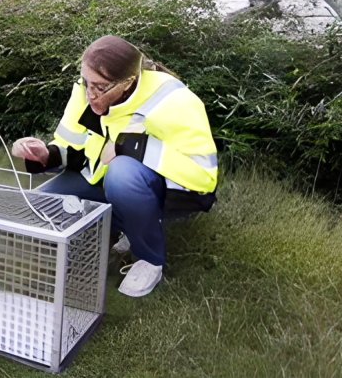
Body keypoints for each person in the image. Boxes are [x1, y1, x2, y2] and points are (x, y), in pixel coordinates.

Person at [12, 35, 218, 298]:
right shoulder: (87, 90)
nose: (89, 94)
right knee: (41, 203)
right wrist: (44, 154)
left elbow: (203, 177)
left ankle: (149, 259)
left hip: (160, 192)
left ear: (128, 82)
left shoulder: (174, 100)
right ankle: (115, 228)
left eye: (99, 87)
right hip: (101, 179)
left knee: (122, 173)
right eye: (86, 82)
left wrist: (129, 146)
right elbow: (73, 149)